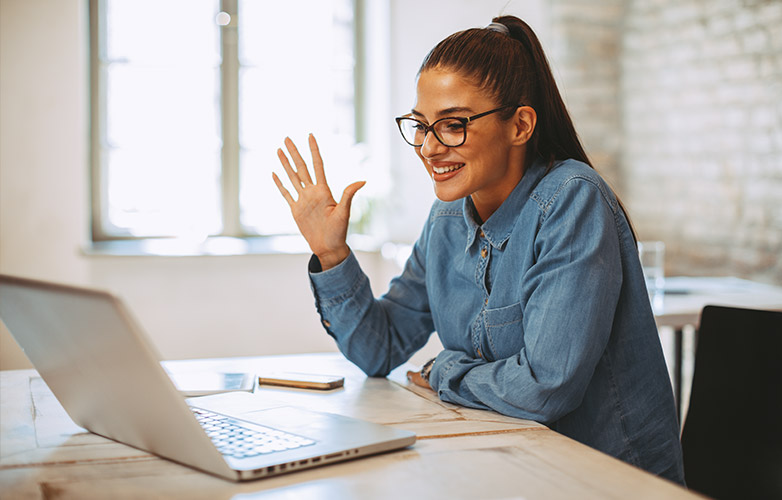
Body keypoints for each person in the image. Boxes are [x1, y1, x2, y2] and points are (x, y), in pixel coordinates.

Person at [272, 15, 685, 484]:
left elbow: (545, 388)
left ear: (520, 125)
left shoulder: (571, 199)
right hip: (506, 466)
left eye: (452, 125)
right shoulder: (446, 219)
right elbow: (379, 348)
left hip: (604, 481)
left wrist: (447, 369)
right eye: (421, 126)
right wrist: (331, 255)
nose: (429, 147)